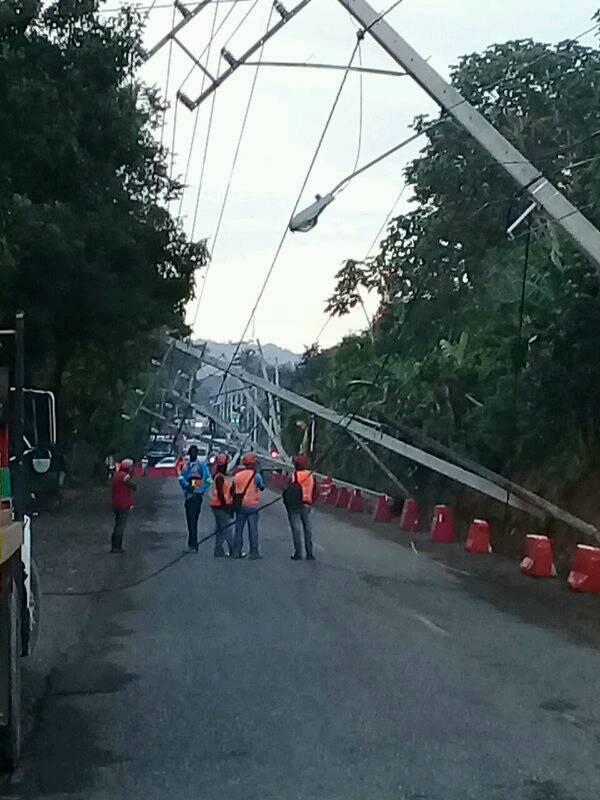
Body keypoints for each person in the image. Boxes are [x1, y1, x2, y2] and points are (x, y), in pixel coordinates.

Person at [178, 445, 212, 552]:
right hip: (188, 496)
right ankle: (191, 543)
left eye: (194, 452)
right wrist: (186, 485)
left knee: (193, 520)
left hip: (196, 496)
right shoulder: (186, 466)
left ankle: (194, 544)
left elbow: (208, 480)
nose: (192, 454)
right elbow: (181, 477)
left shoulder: (201, 465)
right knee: (190, 520)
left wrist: (200, 490)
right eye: (190, 452)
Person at [231, 452, 264, 560]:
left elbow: (233, 489)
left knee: (238, 530)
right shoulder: (256, 476)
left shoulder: (237, 475)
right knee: (253, 530)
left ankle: (236, 551)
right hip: (253, 505)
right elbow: (261, 486)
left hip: (240, 505)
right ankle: (254, 552)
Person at [286, 454, 316, 561]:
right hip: (307, 504)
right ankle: (310, 554)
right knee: (307, 530)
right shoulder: (311, 475)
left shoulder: (294, 476)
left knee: (296, 530)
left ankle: (298, 553)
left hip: (294, 505)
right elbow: (315, 490)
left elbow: (288, 490)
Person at [209, 454, 234, 557]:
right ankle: (233, 550)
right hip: (220, 506)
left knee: (220, 530)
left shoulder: (219, 476)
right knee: (227, 529)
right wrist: (226, 506)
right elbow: (220, 493)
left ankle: (218, 550)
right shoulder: (219, 477)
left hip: (217, 505)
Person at [111, 458, 136, 553]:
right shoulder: (125, 477)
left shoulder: (117, 475)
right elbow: (133, 486)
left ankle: (115, 545)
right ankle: (117, 546)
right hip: (123, 504)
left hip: (116, 503)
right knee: (120, 525)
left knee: (117, 524)